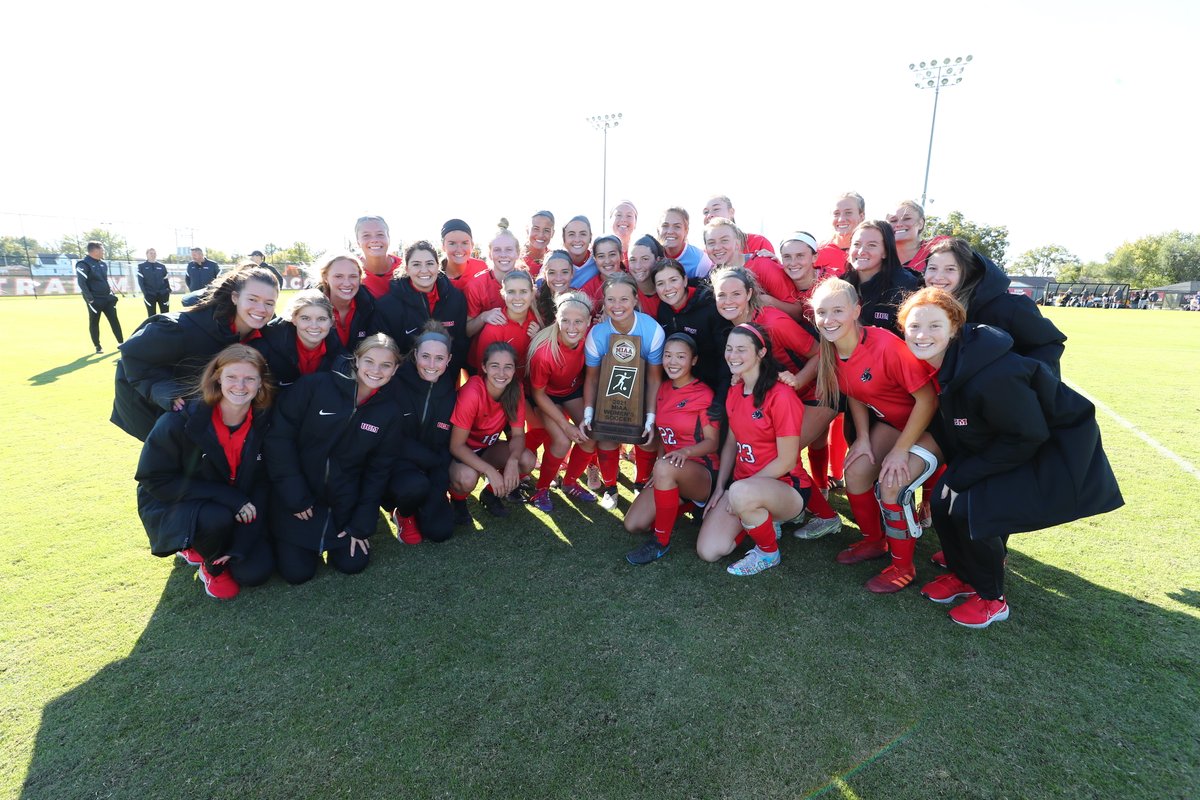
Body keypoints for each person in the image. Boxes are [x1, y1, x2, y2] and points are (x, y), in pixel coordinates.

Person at [899, 288, 1122, 627]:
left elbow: (1028, 435)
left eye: (934, 326)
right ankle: (964, 576)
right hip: (1003, 444)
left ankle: (992, 598)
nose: (922, 335)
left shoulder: (991, 374)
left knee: (972, 508)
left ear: (954, 327)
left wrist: (967, 473)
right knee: (943, 501)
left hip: (1049, 451)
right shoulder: (947, 362)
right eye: (914, 326)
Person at [811, 278, 942, 593]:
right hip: (893, 424)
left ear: (856, 310)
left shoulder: (884, 345)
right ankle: (874, 541)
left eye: (838, 310)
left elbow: (928, 401)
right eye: (821, 312)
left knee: (892, 484)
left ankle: (903, 567)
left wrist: (900, 450)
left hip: (933, 427)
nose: (828, 319)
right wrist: (864, 437)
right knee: (856, 471)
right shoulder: (832, 349)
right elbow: (856, 392)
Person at [709, 265, 843, 537]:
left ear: (749, 294)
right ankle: (785, 508)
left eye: (736, 294)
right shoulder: (734, 327)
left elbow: (822, 352)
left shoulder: (772, 321)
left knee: (782, 457)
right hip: (787, 397)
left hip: (818, 393)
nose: (728, 301)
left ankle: (825, 517)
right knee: (774, 454)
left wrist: (799, 380)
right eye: (721, 295)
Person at [135, 344, 275, 600]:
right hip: (179, 500)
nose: (240, 385)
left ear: (260, 384)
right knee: (216, 517)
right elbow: (154, 479)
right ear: (217, 378)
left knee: (255, 573)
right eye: (232, 377)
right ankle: (209, 563)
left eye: (249, 378)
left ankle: (217, 544)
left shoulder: (265, 421)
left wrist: (241, 546)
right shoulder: (179, 420)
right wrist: (229, 497)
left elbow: (263, 482)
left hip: (237, 502)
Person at [265, 334, 404, 584]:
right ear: (356, 360)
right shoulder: (314, 386)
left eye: (386, 365)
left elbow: (379, 470)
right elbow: (279, 439)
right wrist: (294, 493)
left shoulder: (390, 411)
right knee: (298, 573)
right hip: (300, 499)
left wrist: (362, 521)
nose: (376, 371)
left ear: (394, 370)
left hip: (342, 503)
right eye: (369, 361)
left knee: (352, 563)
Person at [112, 264, 279, 441]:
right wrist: (166, 391)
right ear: (235, 297)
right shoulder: (183, 327)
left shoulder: (267, 333)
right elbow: (133, 354)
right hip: (152, 409)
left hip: (203, 412)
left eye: (269, 303)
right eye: (253, 299)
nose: (261, 309)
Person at [696, 323, 811, 575]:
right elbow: (731, 442)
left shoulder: (781, 396)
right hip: (744, 486)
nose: (732, 355)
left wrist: (741, 491)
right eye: (729, 348)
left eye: (741, 349)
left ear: (761, 352)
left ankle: (768, 553)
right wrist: (721, 488)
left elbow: (787, 461)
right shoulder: (735, 389)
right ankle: (757, 520)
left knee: (741, 493)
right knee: (709, 550)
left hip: (787, 488)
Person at [624, 334, 722, 564]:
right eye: (668, 356)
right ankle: (687, 505)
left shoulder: (703, 394)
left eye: (680, 356)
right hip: (670, 469)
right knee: (633, 524)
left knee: (665, 469)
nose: (673, 362)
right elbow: (663, 436)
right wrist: (658, 469)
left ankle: (660, 542)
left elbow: (713, 442)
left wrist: (684, 454)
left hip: (702, 472)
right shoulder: (663, 389)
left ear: (693, 360)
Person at [580, 274, 665, 510]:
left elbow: (654, 378)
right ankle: (610, 488)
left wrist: (650, 418)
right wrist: (589, 415)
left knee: (646, 438)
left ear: (636, 300)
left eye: (624, 299)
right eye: (611, 299)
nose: (617, 306)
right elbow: (592, 378)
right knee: (605, 434)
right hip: (609, 395)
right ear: (604, 301)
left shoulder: (652, 330)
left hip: (642, 394)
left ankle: (640, 483)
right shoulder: (597, 333)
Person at [923, 237, 1066, 375]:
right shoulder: (923, 309)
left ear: (967, 274)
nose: (938, 277)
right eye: (932, 268)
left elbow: (1048, 344)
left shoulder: (1008, 306)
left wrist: (1020, 376)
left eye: (950, 269)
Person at [386, 324, 459, 544]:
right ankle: (403, 513)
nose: (431, 365)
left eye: (439, 358)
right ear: (415, 354)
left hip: (431, 467)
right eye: (425, 356)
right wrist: (432, 461)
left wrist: (438, 483)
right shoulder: (395, 382)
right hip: (398, 466)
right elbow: (392, 438)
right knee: (414, 487)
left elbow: (446, 442)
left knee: (440, 532)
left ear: (449, 359)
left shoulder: (449, 390)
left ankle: (424, 504)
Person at [448, 342, 536, 522]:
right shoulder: (473, 391)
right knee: (466, 478)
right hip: (461, 452)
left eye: (508, 367)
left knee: (526, 460)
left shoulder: (515, 389)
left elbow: (518, 435)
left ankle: (490, 494)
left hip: (486, 448)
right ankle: (458, 501)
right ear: (484, 367)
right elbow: (456, 446)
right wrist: (490, 471)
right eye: (495, 366)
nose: (501, 373)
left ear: (514, 369)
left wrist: (512, 460)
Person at [525, 292, 597, 511]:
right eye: (565, 320)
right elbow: (538, 394)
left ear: (588, 322)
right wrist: (566, 426)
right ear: (557, 318)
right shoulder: (544, 351)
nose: (572, 327)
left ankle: (570, 482)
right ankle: (541, 489)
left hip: (572, 390)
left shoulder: (591, 336)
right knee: (562, 441)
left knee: (591, 436)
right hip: (546, 395)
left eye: (578, 322)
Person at [373, 240, 469, 376]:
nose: (424, 270)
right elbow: (384, 351)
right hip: (402, 380)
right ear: (407, 269)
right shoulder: (387, 306)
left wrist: (446, 378)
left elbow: (459, 344)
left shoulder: (455, 299)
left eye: (429, 263)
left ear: (437, 266)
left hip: (444, 378)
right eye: (416, 264)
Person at [653, 258, 729, 392]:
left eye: (673, 280)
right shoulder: (663, 309)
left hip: (712, 386)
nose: (668, 288)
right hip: (680, 385)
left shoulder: (709, 306)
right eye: (660, 283)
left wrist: (720, 398)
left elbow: (725, 356)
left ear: (685, 280)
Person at [703, 218, 802, 319]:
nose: (717, 247)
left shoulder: (763, 265)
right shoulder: (712, 276)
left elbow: (797, 312)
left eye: (724, 241)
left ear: (737, 244)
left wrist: (768, 301)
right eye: (711, 243)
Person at [251, 289, 341, 389]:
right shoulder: (266, 346)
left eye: (321, 319)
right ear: (293, 319)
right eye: (305, 318)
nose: (314, 326)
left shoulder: (339, 353)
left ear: (331, 321)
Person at [845, 220, 922, 334]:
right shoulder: (840, 286)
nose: (861, 251)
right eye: (857, 244)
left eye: (871, 245)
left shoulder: (907, 287)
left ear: (886, 251)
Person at [467, 270, 541, 377]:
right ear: (502, 294)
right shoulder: (493, 330)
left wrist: (539, 339)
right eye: (511, 292)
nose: (517, 298)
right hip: (503, 385)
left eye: (523, 291)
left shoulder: (538, 322)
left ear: (533, 293)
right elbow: (484, 376)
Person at [466, 228, 525, 338]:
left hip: (519, 341)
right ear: (490, 254)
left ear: (517, 253)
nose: (503, 255)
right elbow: (466, 331)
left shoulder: (525, 280)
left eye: (509, 249)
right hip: (487, 345)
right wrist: (483, 317)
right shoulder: (476, 285)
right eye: (497, 250)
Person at [314, 252, 377, 352]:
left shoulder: (371, 307)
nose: (347, 283)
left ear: (360, 278)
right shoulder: (307, 307)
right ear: (325, 277)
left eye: (353, 276)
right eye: (338, 276)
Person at [76, 241, 124, 353]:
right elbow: (82, 283)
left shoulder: (103, 264)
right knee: (94, 322)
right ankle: (97, 346)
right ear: (95, 250)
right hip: (95, 300)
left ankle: (121, 343)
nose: (103, 252)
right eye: (102, 250)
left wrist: (111, 293)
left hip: (107, 298)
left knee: (114, 319)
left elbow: (104, 280)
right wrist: (90, 299)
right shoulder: (83, 264)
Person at [701, 195, 774, 256]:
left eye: (716, 209)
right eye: (706, 212)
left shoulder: (758, 242)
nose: (709, 215)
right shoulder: (705, 255)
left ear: (731, 212)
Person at [814, 192, 865, 278]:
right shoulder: (817, 253)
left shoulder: (871, 251)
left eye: (848, 212)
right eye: (836, 213)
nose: (841, 219)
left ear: (862, 216)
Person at [886, 200, 947, 273]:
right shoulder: (878, 255)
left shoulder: (939, 250)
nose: (899, 224)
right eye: (893, 220)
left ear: (921, 223)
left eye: (907, 219)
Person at [355, 215, 403, 299]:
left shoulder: (405, 268)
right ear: (358, 242)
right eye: (366, 235)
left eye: (380, 234)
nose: (374, 240)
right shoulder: (352, 271)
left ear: (388, 238)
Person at [658, 207, 713, 279]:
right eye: (665, 226)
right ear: (658, 230)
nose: (670, 231)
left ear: (686, 231)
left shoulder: (701, 262)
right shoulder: (651, 256)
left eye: (677, 226)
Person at [441, 218, 489, 291]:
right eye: (452, 243)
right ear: (443, 247)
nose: (459, 249)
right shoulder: (435, 277)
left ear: (472, 245)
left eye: (464, 243)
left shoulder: (481, 268)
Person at [534, 250, 576, 328]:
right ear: (544, 275)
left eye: (564, 272)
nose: (558, 278)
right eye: (552, 272)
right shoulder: (536, 299)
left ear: (572, 274)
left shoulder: (579, 299)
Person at [627, 235, 664, 319]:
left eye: (645, 259)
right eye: (632, 260)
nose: (638, 266)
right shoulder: (625, 292)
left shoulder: (668, 289)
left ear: (657, 260)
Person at [562, 215, 600, 290]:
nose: (577, 240)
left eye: (583, 234)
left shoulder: (598, 262)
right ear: (564, 238)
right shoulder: (554, 261)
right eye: (571, 234)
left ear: (590, 237)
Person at [137, 248, 171, 317]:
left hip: (163, 294)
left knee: (166, 315)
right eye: (151, 253)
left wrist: (168, 291)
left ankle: (164, 325)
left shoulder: (162, 266)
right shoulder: (141, 266)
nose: (153, 255)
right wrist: (146, 293)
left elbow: (166, 280)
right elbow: (140, 282)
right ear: (147, 254)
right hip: (150, 294)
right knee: (152, 316)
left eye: (154, 253)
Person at [522, 210, 556, 276]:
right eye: (536, 229)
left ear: (552, 233)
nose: (540, 235)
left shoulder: (556, 260)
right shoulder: (515, 258)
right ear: (527, 230)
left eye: (546, 230)